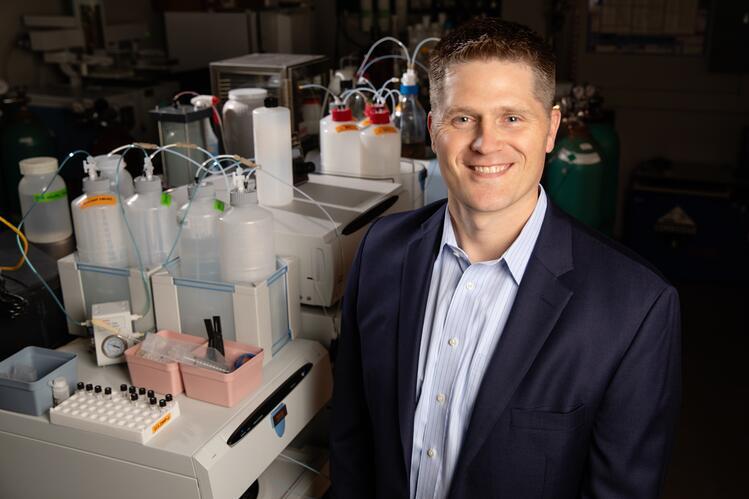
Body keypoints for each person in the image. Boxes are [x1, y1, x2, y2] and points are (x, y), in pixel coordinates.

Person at [330, 17, 681, 499]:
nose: (486, 143)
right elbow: (351, 432)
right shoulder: (381, 250)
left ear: (551, 129)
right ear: (433, 128)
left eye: (512, 117)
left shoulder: (635, 307)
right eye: (462, 118)